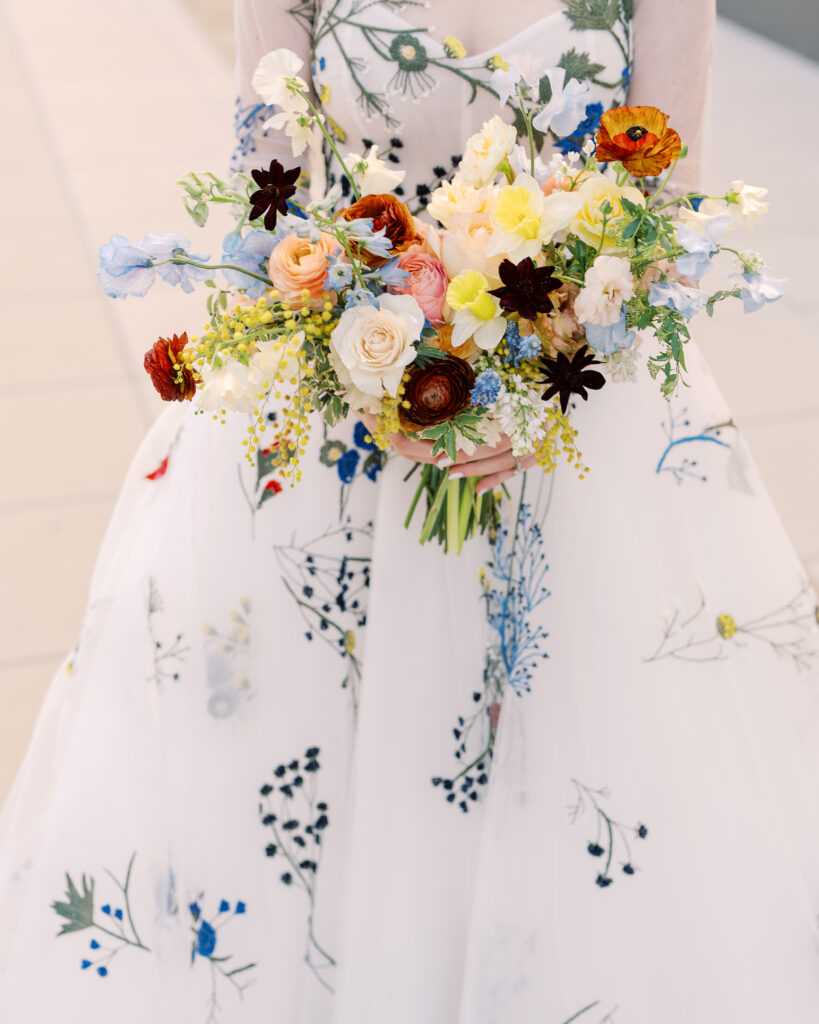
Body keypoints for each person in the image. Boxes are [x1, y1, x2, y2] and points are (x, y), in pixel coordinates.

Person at [2, 1, 819, 1021]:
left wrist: (550, 369)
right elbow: (271, 200)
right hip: (337, 425)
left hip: (573, 421)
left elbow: (665, 215)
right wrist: (362, 363)